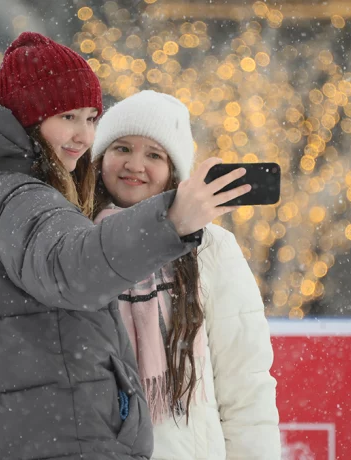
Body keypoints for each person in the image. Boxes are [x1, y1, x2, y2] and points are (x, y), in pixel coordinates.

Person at [0, 32, 250, 460]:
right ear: (30, 118)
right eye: (67, 116)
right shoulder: (18, 196)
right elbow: (72, 267)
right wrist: (173, 219)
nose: (83, 135)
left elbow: (245, 387)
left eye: (91, 118)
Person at [91, 90, 281, 459]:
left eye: (154, 155)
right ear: (100, 158)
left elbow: (244, 383)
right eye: (122, 148)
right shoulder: (75, 243)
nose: (135, 164)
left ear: (173, 172)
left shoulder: (210, 248)